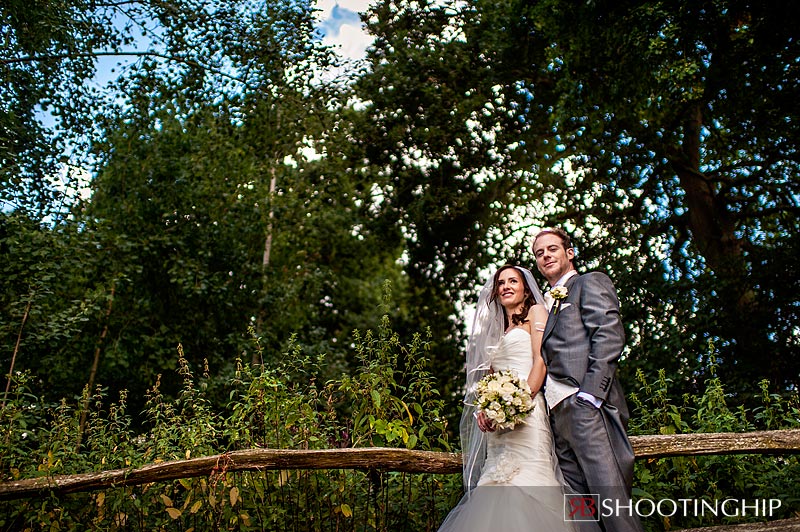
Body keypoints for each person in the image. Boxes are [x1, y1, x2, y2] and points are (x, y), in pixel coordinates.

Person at [438, 265, 576, 532]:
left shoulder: (536, 313)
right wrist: (485, 409)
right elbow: (491, 380)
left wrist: (518, 403)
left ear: (526, 288)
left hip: (528, 416)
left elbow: (541, 362)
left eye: (513, 281)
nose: (506, 286)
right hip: (499, 428)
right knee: (493, 489)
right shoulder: (497, 330)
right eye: (501, 283)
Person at [533, 228, 644, 532]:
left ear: (569, 253)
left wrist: (591, 396)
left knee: (611, 502)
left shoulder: (588, 282)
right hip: (556, 418)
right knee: (581, 510)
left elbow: (608, 336)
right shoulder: (545, 305)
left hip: (585, 409)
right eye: (539, 253)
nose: (546, 256)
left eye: (552, 249)